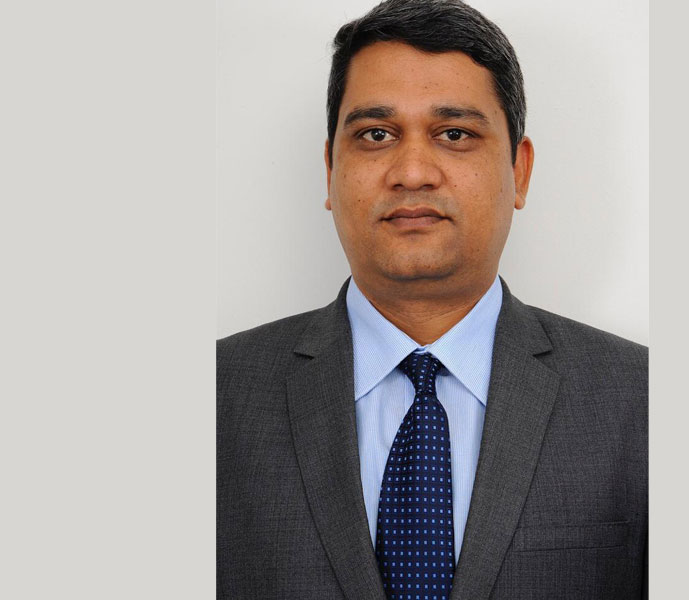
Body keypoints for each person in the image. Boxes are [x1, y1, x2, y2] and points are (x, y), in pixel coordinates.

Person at [217, 0, 647, 598]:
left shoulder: (642, 401)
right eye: (376, 134)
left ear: (520, 171)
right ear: (330, 168)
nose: (413, 172)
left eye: (454, 134)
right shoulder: (214, 396)